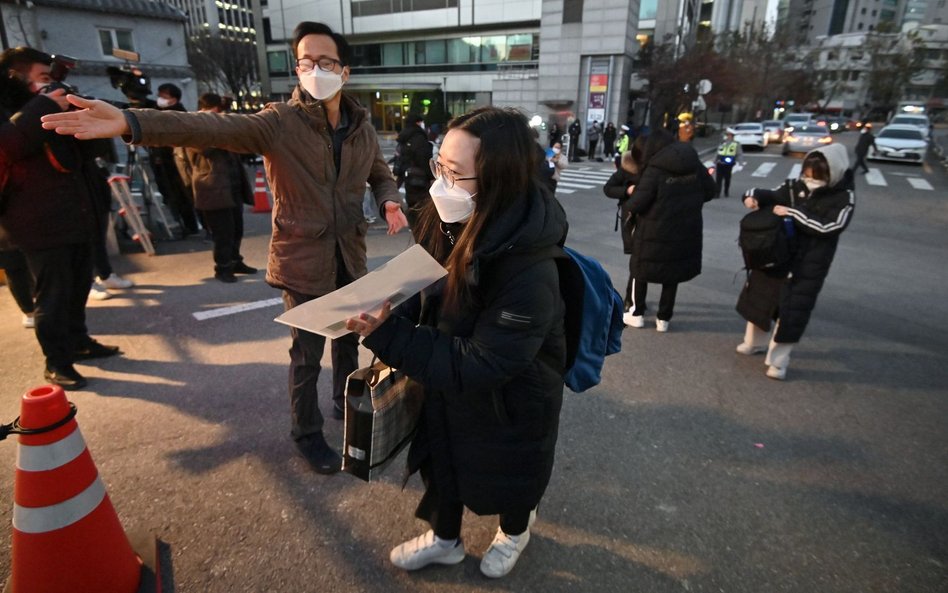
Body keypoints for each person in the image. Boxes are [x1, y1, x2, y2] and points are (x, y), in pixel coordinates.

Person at [42, 21, 408, 473]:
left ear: (345, 72)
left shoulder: (361, 128)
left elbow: (378, 171)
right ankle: (306, 434)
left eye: (325, 61)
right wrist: (131, 121)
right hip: (301, 257)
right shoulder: (278, 122)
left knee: (350, 340)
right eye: (305, 62)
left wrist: (390, 199)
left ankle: (342, 403)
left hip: (348, 255)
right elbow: (208, 127)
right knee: (307, 356)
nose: (314, 69)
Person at [344, 107, 568, 579]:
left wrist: (390, 335)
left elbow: (487, 362)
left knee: (510, 474)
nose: (441, 182)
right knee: (442, 461)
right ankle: (446, 540)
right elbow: (420, 286)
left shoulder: (530, 265)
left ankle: (514, 532)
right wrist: (385, 309)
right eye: (438, 165)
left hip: (510, 399)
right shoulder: (449, 217)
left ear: (499, 179)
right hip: (444, 381)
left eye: (456, 172)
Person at [1, 47, 122, 391]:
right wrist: (45, 105)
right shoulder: (10, 110)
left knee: (79, 285)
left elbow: (88, 152)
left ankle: (79, 340)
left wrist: (85, 116)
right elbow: (9, 144)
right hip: (35, 221)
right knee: (51, 295)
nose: (51, 86)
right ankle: (56, 361)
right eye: (43, 78)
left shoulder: (51, 104)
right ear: (14, 75)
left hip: (77, 212)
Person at [736, 144, 854, 380]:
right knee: (761, 299)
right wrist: (753, 196)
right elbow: (770, 194)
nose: (810, 179)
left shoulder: (843, 197)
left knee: (791, 312)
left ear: (833, 173)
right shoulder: (794, 186)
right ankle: (754, 342)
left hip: (809, 264)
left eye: (817, 176)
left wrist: (793, 214)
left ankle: (779, 362)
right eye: (807, 174)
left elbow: (830, 227)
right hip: (776, 255)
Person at [621, 128, 715, 332]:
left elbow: (637, 203)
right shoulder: (693, 164)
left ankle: (635, 313)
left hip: (654, 229)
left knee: (640, 270)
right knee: (673, 273)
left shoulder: (655, 169)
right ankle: (663, 319)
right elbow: (710, 191)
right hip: (685, 229)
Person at [174, 93, 258, 283]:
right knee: (222, 233)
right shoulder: (196, 125)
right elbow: (204, 148)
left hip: (231, 185)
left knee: (237, 229)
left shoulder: (221, 124)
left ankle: (236, 261)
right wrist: (220, 127)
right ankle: (222, 268)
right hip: (212, 187)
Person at [148, 83, 200, 237]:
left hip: (176, 163)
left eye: (165, 96)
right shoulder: (158, 112)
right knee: (170, 195)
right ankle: (182, 223)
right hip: (162, 162)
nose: (160, 99)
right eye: (160, 95)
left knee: (181, 196)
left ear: (174, 99)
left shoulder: (178, 114)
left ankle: (190, 226)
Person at [602, 142, 644, 309]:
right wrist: (627, 190)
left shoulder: (654, 169)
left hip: (650, 218)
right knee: (636, 259)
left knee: (640, 260)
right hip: (631, 218)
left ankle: (634, 299)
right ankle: (631, 299)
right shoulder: (627, 166)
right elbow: (608, 189)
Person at [395, 113, 434, 238]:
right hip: (420, 176)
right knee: (422, 204)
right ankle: (421, 230)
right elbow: (423, 158)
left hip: (408, 174)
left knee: (411, 201)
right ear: (418, 122)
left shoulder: (404, 136)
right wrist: (431, 175)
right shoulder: (418, 137)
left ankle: (414, 226)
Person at [715, 128, 744, 198]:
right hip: (720, 163)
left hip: (729, 164)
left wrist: (740, 164)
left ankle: (726, 191)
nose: (727, 136)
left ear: (732, 136)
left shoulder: (736, 144)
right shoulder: (722, 142)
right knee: (718, 179)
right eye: (727, 135)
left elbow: (739, 154)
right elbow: (718, 152)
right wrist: (714, 161)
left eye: (729, 135)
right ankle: (717, 193)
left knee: (727, 179)